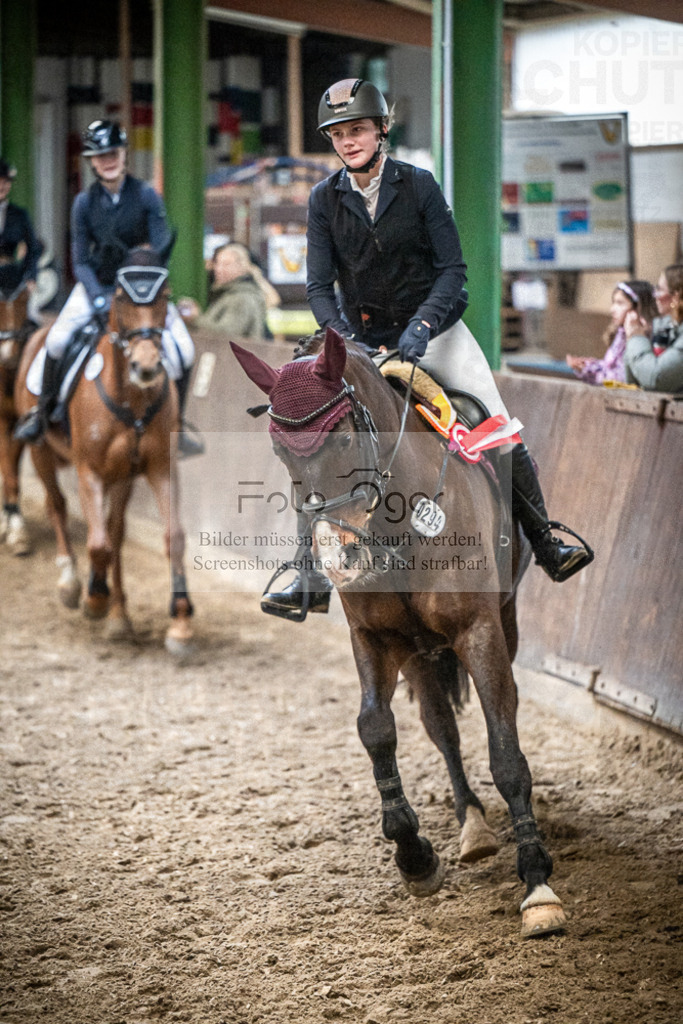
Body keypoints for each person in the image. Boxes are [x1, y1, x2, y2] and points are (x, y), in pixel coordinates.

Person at [261, 78, 593, 620]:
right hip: (361, 344)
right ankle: (307, 573)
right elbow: (319, 286)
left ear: (381, 131)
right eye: (339, 134)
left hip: (435, 335)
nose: (348, 142)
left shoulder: (419, 187)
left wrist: (420, 328)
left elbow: (452, 271)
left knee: (498, 426)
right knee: (317, 438)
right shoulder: (324, 200)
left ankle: (547, 538)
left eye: (358, 130)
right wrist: (341, 340)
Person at [14, 120, 203, 456]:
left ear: (124, 154)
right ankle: (42, 413)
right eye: (100, 156)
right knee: (56, 340)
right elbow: (80, 261)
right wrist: (99, 298)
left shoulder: (145, 195)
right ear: (92, 162)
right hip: (97, 285)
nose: (108, 160)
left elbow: (161, 249)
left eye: (113, 153)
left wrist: (147, 282)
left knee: (185, 350)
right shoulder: (83, 203)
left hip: (140, 291)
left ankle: (179, 425)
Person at [565, 280, 657, 385]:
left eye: (620, 303)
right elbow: (610, 367)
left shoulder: (646, 338)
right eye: (613, 302)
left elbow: (621, 378)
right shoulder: (620, 334)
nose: (612, 309)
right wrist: (587, 366)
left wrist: (590, 372)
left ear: (637, 308)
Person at [178, 242, 271, 340]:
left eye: (226, 264)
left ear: (242, 267)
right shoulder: (228, 294)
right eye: (217, 263)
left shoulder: (242, 297)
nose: (218, 269)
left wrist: (196, 319)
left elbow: (227, 334)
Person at [625, 264, 683, 393]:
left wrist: (637, 338)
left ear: (676, 297)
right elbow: (634, 381)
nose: (655, 295)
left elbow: (656, 379)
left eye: (660, 289)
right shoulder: (665, 328)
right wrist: (641, 337)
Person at [0, 158, 42, 299]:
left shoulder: (19, 215)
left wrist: (30, 276)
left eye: (6, 182)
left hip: (11, 278)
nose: (2, 186)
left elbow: (33, 248)